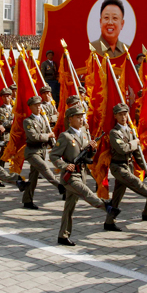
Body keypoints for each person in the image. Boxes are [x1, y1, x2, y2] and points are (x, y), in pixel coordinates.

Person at [50, 105, 119, 246]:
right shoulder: (65, 136)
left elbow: (89, 156)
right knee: (85, 192)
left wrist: (92, 149)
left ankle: (63, 235)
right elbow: (53, 155)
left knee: (69, 207)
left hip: (81, 173)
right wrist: (64, 165)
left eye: (82, 117)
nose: (81, 119)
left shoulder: (85, 133)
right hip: (70, 176)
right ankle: (106, 206)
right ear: (70, 119)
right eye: (78, 117)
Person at [104, 103, 147, 231]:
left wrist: (143, 165)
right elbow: (122, 149)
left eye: (125, 114)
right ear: (115, 116)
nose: (123, 117)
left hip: (128, 165)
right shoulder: (114, 132)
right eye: (120, 114)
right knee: (135, 182)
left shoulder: (130, 130)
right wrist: (134, 142)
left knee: (117, 195)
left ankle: (109, 222)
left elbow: (136, 152)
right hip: (118, 166)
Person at [21, 96, 65, 210]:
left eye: (39, 105)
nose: (38, 107)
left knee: (33, 177)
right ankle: (59, 185)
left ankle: (27, 200)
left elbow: (48, 135)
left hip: (42, 151)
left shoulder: (43, 119)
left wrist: (54, 145)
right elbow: (34, 136)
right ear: (30, 107)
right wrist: (48, 135)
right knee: (43, 167)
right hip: (32, 152)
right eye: (35, 105)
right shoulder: (28, 121)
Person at [0, 88, 14, 168]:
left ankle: (14, 171)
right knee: (4, 153)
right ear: (2, 98)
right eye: (4, 96)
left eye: (8, 96)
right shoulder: (0, 109)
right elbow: (4, 122)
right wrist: (15, 122)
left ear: (11, 97)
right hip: (6, 134)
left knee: (15, 154)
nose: (6, 98)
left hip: (15, 133)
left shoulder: (15, 108)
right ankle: (0, 169)